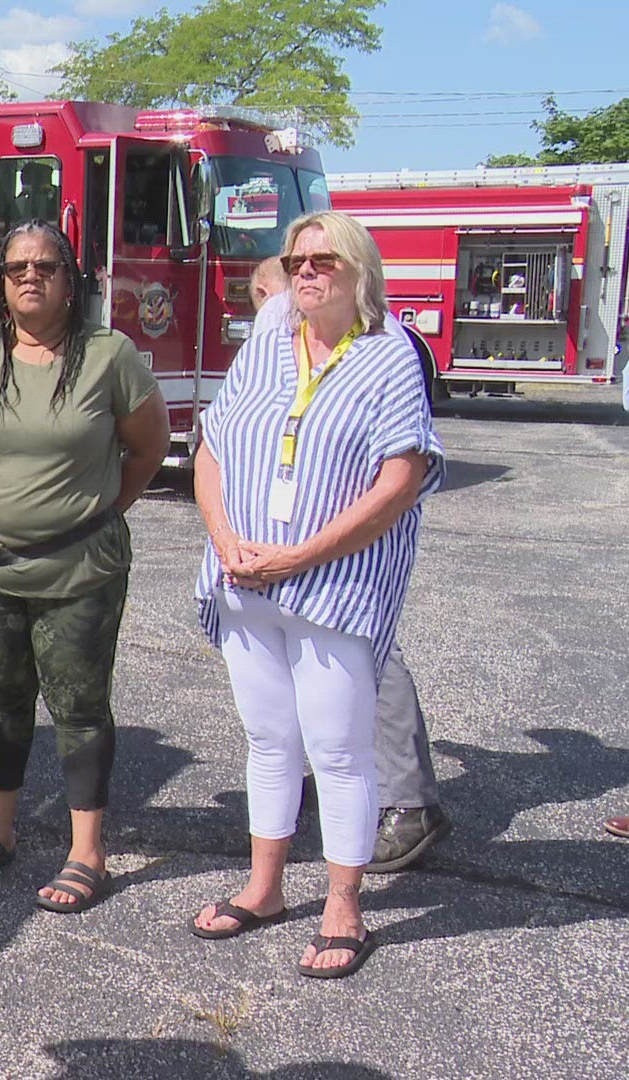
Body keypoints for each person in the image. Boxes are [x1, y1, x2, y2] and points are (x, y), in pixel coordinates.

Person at [190, 211, 444, 978]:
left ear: (358, 270)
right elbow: (211, 445)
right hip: (244, 579)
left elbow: (400, 479)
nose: (307, 271)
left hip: (333, 585)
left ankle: (343, 907)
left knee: (337, 750)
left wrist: (300, 554)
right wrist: (227, 538)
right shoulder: (269, 338)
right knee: (269, 742)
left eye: (324, 260)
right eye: (297, 259)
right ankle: (264, 887)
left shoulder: (389, 352)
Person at [0, 221, 169, 912]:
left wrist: (91, 511)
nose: (29, 278)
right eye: (15, 269)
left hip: (79, 573)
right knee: (0, 704)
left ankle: (86, 852)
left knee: (79, 708)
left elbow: (147, 449)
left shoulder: (109, 355)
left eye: (45, 267)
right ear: (0, 283)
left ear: (72, 278)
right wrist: (0, 507)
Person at [250, 256, 454, 873]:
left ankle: (408, 803)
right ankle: (345, 782)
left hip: (343, 548)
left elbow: (400, 469)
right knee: (326, 675)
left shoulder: (377, 343)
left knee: (369, 658)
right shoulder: (296, 336)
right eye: (297, 267)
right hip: (294, 544)